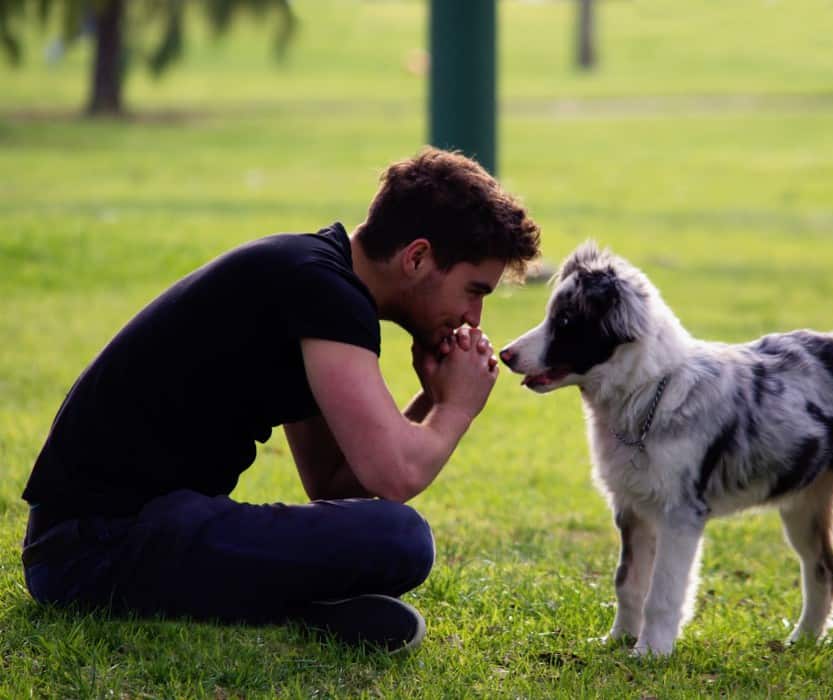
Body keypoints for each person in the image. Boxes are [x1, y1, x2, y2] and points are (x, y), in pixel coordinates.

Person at [20, 147, 541, 652]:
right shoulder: (323, 291)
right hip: (91, 547)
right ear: (418, 257)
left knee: (386, 534)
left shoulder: (318, 277)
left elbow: (334, 484)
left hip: (107, 538)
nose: (474, 318)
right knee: (401, 539)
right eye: (475, 291)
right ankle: (290, 603)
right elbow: (395, 476)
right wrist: (457, 408)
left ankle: (283, 600)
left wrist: (430, 400)